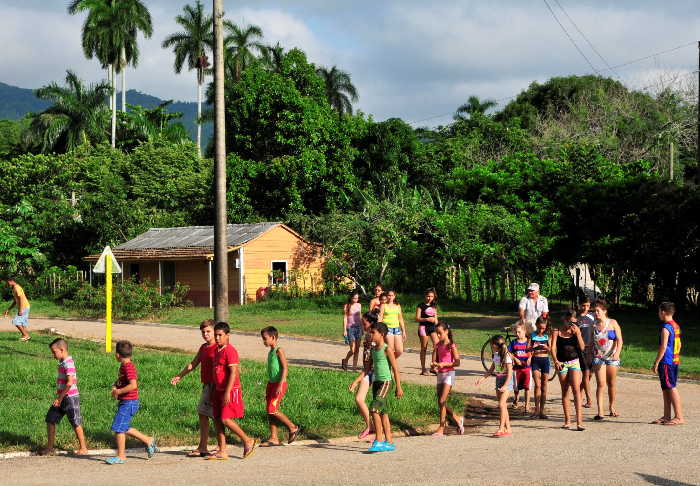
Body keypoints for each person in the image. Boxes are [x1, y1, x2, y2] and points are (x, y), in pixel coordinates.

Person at [208, 322, 258, 460]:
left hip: (229, 390)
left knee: (225, 419)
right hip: (218, 390)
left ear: (227, 335)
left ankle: (247, 440)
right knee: (217, 419)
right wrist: (215, 388)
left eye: (220, 335)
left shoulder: (230, 350)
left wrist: (227, 391)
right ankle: (222, 450)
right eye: (216, 335)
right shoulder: (217, 350)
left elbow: (233, 373)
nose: (217, 338)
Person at [106, 340, 158, 464]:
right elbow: (122, 381)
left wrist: (118, 392)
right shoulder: (125, 366)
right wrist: (115, 386)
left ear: (117, 354)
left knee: (118, 428)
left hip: (129, 402)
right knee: (123, 427)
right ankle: (148, 440)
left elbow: (133, 385)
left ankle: (121, 456)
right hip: (127, 402)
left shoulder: (128, 367)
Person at [170, 319, 217, 457]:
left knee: (216, 417)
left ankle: (222, 446)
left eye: (208, 331)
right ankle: (203, 446)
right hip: (207, 385)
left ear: (215, 331)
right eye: (203, 332)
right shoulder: (203, 348)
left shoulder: (219, 347)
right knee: (203, 414)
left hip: (216, 386)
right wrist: (180, 376)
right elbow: (194, 363)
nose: (205, 334)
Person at [37, 338, 88, 456]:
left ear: (62, 349)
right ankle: (50, 448)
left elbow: (70, 383)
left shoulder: (68, 363)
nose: (53, 355)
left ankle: (83, 448)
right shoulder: (63, 362)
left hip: (70, 398)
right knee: (50, 419)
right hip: (62, 397)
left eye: (54, 352)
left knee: (75, 421)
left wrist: (59, 398)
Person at [364, 322, 404, 452]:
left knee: (374, 409)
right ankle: (390, 442)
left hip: (386, 383)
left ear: (381, 334)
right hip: (376, 383)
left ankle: (379, 440)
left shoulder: (387, 349)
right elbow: (367, 368)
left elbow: (395, 369)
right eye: (370, 332)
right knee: (383, 413)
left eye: (373, 332)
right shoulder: (373, 349)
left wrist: (398, 387)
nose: (371, 334)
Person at [260, 326, 303, 446]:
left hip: (279, 385)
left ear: (273, 337)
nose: (263, 341)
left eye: (265, 338)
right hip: (271, 384)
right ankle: (273, 437)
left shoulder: (279, 350)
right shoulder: (270, 351)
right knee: (269, 411)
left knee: (272, 409)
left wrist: (280, 384)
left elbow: (285, 368)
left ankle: (293, 427)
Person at [551, 310, 586, 431]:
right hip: (562, 363)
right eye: (569, 322)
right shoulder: (557, 332)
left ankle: (579, 422)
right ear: (564, 320)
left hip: (574, 362)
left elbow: (582, 347)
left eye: (573, 322)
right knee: (565, 389)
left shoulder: (576, 331)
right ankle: (567, 420)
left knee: (576, 389)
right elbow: (553, 348)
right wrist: (555, 360)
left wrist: (578, 334)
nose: (571, 324)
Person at [349, 309, 380, 439]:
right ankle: (370, 426)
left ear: (371, 323)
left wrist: (356, 380)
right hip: (368, 371)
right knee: (359, 399)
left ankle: (381, 434)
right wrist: (357, 380)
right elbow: (367, 363)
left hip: (378, 373)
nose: (362, 325)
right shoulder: (367, 336)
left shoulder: (376, 337)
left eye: (364, 323)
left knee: (379, 406)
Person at [651, 302, 684, 426]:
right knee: (666, 388)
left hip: (666, 362)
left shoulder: (665, 327)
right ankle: (666, 415)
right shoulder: (676, 325)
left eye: (659, 311)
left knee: (671, 388)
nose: (658, 314)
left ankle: (679, 417)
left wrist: (656, 362)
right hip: (674, 361)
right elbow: (679, 345)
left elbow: (663, 346)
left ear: (663, 312)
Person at [592, 299, 623, 420]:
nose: (596, 313)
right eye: (594, 311)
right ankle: (600, 412)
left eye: (598, 311)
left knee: (611, 383)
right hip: (598, 357)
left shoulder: (613, 323)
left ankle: (611, 407)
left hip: (612, 357)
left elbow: (620, 340)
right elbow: (591, 341)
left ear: (604, 311)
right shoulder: (593, 324)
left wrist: (617, 353)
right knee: (600, 384)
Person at [476, 335, 513, 437]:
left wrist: (505, 385)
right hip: (499, 380)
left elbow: (510, 373)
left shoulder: (507, 356)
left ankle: (501, 429)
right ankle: (508, 428)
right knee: (503, 405)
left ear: (494, 345)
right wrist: (482, 379)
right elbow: (491, 370)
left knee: (501, 404)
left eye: (491, 344)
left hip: (507, 381)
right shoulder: (496, 355)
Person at [431, 322, 464, 436]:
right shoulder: (438, 345)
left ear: (446, 332)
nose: (438, 335)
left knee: (442, 401)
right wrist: (434, 364)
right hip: (440, 374)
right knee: (440, 403)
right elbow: (434, 359)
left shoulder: (451, 345)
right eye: (437, 333)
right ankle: (457, 418)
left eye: (440, 333)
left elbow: (458, 362)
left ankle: (441, 427)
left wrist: (445, 364)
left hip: (449, 374)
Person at [529, 316, 551, 419]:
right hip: (536, 360)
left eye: (543, 328)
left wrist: (547, 347)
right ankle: (536, 410)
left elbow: (552, 350)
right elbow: (526, 350)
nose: (541, 330)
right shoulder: (532, 335)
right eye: (540, 328)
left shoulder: (547, 336)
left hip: (545, 360)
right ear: (536, 325)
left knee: (544, 386)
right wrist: (532, 348)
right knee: (537, 385)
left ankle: (542, 411)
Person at [508, 323, 532, 411]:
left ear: (525, 331)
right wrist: (514, 358)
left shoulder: (529, 342)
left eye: (519, 332)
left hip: (527, 368)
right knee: (516, 387)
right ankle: (516, 399)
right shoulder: (514, 342)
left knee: (527, 387)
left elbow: (533, 351)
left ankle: (527, 404)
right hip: (517, 368)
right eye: (516, 332)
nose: (517, 334)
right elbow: (508, 352)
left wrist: (530, 357)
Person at [576, 297, 595, 408]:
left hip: (593, 348)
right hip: (582, 349)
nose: (586, 308)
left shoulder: (592, 317)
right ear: (580, 305)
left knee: (590, 375)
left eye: (588, 306)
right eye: (584, 305)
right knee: (586, 374)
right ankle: (589, 400)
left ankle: (578, 392)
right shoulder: (577, 318)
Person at [416, 288, 439, 376]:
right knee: (424, 348)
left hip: (432, 328)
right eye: (428, 296)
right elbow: (417, 318)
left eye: (432, 296)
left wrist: (438, 328)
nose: (430, 298)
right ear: (425, 296)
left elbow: (436, 318)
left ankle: (433, 366)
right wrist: (426, 319)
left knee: (437, 346)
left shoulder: (434, 306)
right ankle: (423, 369)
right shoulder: (421, 305)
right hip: (423, 328)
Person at [378, 290, 406, 358]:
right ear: (387, 296)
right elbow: (380, 317)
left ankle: (389, 361)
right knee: (390, 348)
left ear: (394, 296)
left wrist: (403, 331)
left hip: (396, 329)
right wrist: (379, 329)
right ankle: (390, 364)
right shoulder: (383, 305)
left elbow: (400, 318)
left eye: (392, 295)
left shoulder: (397, 305)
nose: (390, 297)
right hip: (387, 328)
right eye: (389, 295)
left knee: (399, 350)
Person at [341, 292, 363, 371]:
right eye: (354, 298)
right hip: (350, 328)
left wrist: (362, 327)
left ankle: (354, 367)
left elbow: (360, 316)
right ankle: (345, 360)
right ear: (351, 298)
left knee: (357, 349)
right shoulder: (347, 306)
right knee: (352, 349)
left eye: (357, 298)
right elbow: (345, 318)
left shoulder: (359, 305)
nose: (356, 300)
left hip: (358, 328)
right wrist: (344, 330)